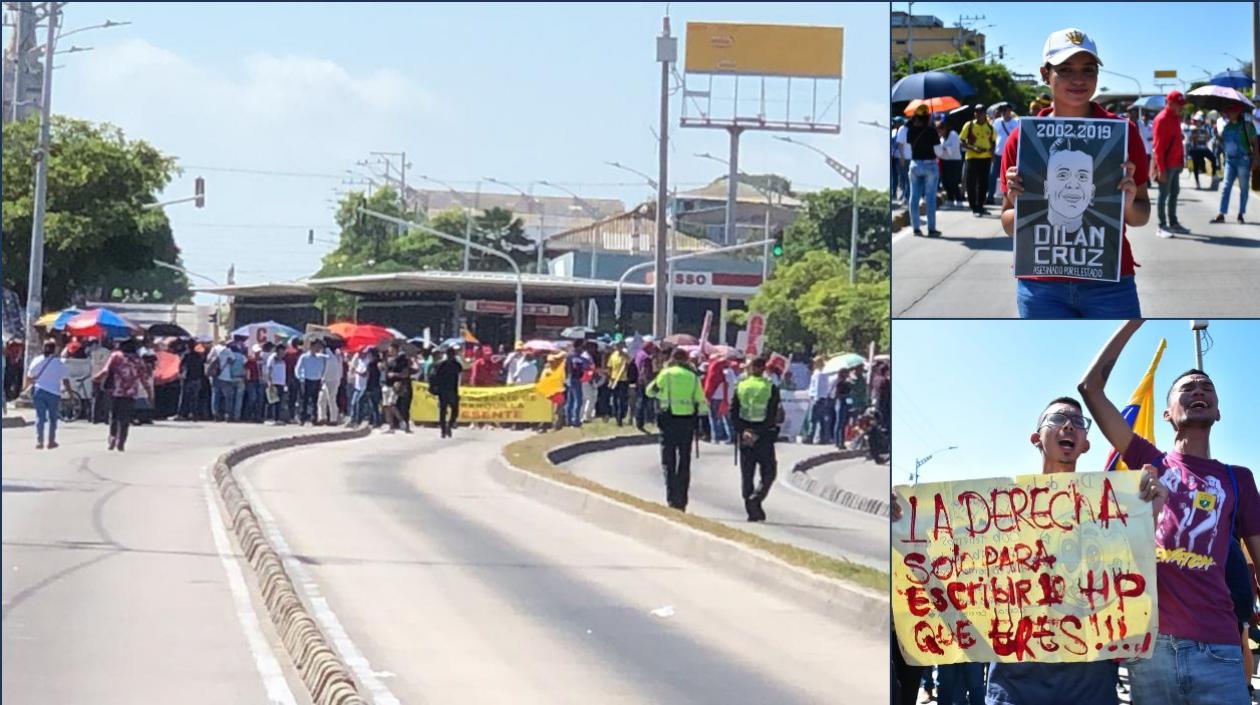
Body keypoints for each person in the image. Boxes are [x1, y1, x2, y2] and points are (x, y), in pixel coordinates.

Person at [1078, 320, 1260, 705]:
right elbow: (1089, 388)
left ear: (1219, 412)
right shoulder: (1148, 460)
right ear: (1166, 414)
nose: (1199, 391)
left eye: (1207, 388)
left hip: (1220, 652)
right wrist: (1134, 320)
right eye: (1187, 388)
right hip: (1151, 652)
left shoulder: (1239, 479)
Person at [1001, 28, 1151, 319]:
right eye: (1065, 70)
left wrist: (1129, 203)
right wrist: (1019, 202)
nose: (1078, 79)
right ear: (1046, 75)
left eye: (1088, 70)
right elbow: (1008, 223)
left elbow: (1141, 216)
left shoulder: (1123, 134)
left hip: (1111, 283)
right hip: (1041, 287)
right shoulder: (1022, 140)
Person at [645, 347, 709, 512]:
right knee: (684, 461)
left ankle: (672, 497)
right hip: (687, 421)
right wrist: (702, 425)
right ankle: (682, 500)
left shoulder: (666, 373)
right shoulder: (693, 377)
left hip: (668, 419)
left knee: (669, 460)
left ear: (672, 359)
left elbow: (650, 391)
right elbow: (701, 400)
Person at [730, 356, 782, 522]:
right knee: (769, 471)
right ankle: (757, 498)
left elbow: (734, 412)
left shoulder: (741, 386)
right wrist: (759, 432)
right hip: (764, 435)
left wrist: (743, 430)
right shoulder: (770, 387)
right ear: (763, 368)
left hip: (745, 435)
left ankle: (751, 508)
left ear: (751, 368)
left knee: (747, 473)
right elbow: (772, 414)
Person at [93, 338, 151, 452]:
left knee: (114, 416)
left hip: (115, 391)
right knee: (125, 419)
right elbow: (144, 378)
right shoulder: (138, 360)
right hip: (131, 393)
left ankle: (113, 437)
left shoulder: (116, 356)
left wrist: (96, 378)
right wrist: (149, 393)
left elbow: (106, 370)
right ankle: (121, 441)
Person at [1212, 102, 1258, 224]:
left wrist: (1255, 160)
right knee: (1226, 187)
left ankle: (1241, 213)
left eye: (1232, 111)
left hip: (1244, 160)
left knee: (1244, 188)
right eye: (1229, 111)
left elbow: (1255, 144)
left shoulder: (1247, 126)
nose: (1229, 114)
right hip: (1230, 161)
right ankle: (1221, 213)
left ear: (1238, 113)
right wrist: (1217, 135)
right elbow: (1223, 143)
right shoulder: (1227, 127)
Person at [1152, 90, 1188, 237]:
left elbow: (1177, 142)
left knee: (1174, 193)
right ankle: (1161, 226)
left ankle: (1173, 222)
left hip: (1175, 164)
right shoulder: (1161, 119)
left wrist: (1181, 162)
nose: (1181, 107)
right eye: (1179, 104)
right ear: (1171, 103)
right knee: (1163, 195)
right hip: (1165, 165)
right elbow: (1158, 147)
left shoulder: (1175, 118)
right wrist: (1161, 170)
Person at [25, 339, 71, 449]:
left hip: (39, 391)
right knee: (53, 418)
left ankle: (39, 441)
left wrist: (25, 388)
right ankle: (51, 441)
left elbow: (29, 377)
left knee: (40, 417)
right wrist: (70, 392)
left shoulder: (36, 360)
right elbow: (65, 380)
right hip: (54, 393)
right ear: (54, 349)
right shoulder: (59, 363)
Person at [905, 104, 943, 237]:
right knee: (930, 199)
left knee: (914, 197)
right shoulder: (932, 131)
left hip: (915, 165)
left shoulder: (910, 131)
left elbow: (909, 148)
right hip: (930, 165)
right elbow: (939, 151)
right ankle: (931, 229)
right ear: (928, 117)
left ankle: (916, 228)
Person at [960, 103, 995, 217]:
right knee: (971, 183)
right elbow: (961, 141)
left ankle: (980, 206)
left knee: (984, 183)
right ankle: (973, 206)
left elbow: (993, 142)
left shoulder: (989, 127)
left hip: (985, 158)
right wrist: (973, 148)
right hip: (972, 157)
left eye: (980, 112)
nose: (978, 114)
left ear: (985, 114)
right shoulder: (969, 125)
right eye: (976, 112)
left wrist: (992, 153)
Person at [430, 345, 462, 438]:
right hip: (443, 390)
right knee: (443, 411)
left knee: (455, 411)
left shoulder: (456, 365)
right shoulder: (441, 364)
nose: (451, 356)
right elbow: (434, 377)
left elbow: (460, 374)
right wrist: (434, 388)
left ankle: (449, 425)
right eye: (449, 354)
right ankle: (443, 430)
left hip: (453, 390)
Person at [990, 104, 1020, 205]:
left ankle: (1008, 201)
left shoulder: (1015, 122)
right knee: (992, 176)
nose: (1003, 112)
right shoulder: (997, 121)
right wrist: (992, 153)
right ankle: (990, 197)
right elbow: (992, 138)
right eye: (1002, 110)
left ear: (1010, 111)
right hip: (998, 153)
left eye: (1005, 110)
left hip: (1010, 155)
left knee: (1009, 179)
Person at [295, 338, 327, 425]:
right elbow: (298, 368)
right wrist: (301, 378)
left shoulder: (320, 358)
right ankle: (302, 418)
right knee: (304, 400)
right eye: (316, 346)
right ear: (311, 347)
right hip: (306, 380)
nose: (317, 348)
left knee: (315, 400)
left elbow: (323, 368)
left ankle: (314, 418)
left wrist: (321, 378)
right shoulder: (304, 357)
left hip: (316, 380)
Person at [935, 119, 965, 210]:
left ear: (945, 129)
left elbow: (954, 149)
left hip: (954, 161)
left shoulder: (953, 135)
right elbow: (939, 150)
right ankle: (950, 199)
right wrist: (943, 148)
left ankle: (959, 200)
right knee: (945, 181)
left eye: (940, 130)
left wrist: (944, 148)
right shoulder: (941, 138)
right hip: (944, 161)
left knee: (954, 181)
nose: (939, 132)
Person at [384, 341, 413, 432]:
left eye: (391, 349)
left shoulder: (402, 360)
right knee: (386, 406)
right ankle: (391, 426)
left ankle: (402, 421)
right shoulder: (388, 360)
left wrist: (395, 375)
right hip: (387, 384)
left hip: (397, 385)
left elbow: (405, 373)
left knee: (393, 404)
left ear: (396, 350)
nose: (389, 351)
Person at [563, 343, 591, 428]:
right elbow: (587, 365)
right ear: (578, 347)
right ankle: (576, 420)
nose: (582, 350)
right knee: (578, 401)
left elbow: (565, 368)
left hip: (568, 379)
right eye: (582, 348)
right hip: (576, 379)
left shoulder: (568, 357)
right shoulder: (579, 358)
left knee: (570, 400)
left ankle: (568, 420)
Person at [807, 356, 834, 445]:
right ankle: (823, 438)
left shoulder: (817, 374)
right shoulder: (824, 374)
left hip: (817, 398)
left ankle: (810, 437)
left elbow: (817, 387)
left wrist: (816, 397)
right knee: (822, 420)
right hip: (822, 398)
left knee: (813, 419)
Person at [633, 340, 658, 432]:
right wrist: (648, 381)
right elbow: (645, 371)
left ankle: (638, 420)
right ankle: (640, 421)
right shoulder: (646, 358)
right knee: (643, 402)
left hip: (638, 380)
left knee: (639, 400)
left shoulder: (639, 354)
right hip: (644, 381)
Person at [606, 341, 630, 426]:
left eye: (620, 345)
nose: (619, 347)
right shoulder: (613, 355)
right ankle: (616, 416)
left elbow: (628, 365)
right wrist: (609, 379)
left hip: (623, 380)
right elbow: (609, 367)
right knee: (615, 399)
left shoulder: (625, 356)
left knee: (621, 400)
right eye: (617, 346)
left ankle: (620, 417)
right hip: (614, 379)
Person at [319, 342, 344, 426]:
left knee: (331, 399)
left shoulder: (331, 354)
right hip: (329, 379)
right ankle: (322, 417)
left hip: (331, 379)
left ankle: (333, 419)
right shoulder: (334, 355)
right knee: (322, 399)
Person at [178, 341, 204, 420]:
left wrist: (181, 374)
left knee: (184, 397)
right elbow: (201, 368)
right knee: (195, 398)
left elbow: (181, 366)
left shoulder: (186, 355)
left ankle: (182, 414)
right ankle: (193, 414)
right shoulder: (198, 356)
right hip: (196, 378)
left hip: (188, 378)